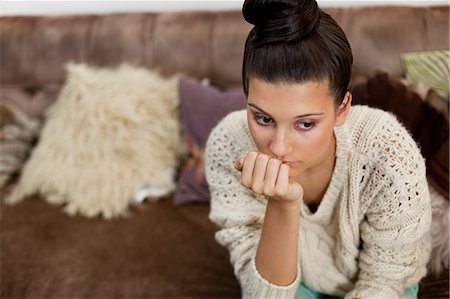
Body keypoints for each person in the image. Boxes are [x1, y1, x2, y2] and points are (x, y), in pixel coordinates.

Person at [204, 0, 432, 298]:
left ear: (342, 109)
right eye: (262, 118)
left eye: (306, 124)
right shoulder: (228, 143)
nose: (279, 147)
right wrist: (283, 205)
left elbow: (384, 282)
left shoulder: (387, 152)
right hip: (293, 285)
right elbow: (263, 295)